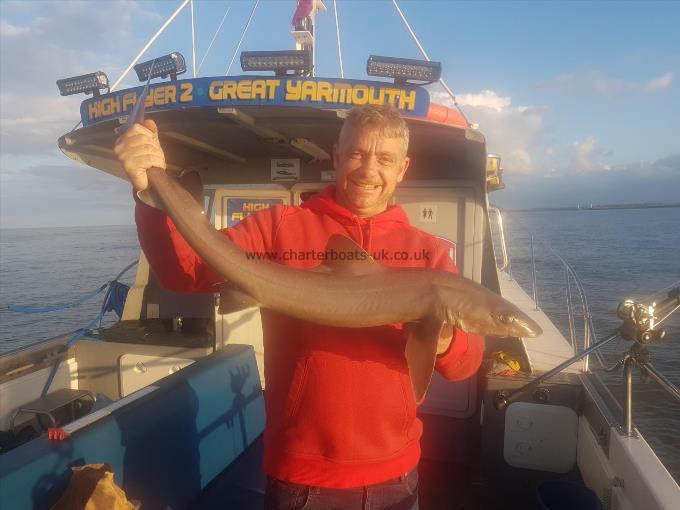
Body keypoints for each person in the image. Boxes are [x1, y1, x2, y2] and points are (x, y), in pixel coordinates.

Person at [114, 104, 484, 510]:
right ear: (337, 156)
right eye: (357, 154)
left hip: (395, 476)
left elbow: (464, 366)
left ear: (403, 168)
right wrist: (149, 192)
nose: (367, 170)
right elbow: (187, 271)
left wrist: (444, 336)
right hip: (304, 479)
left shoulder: (427, 255)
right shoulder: (279, 227)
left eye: (384, 159)